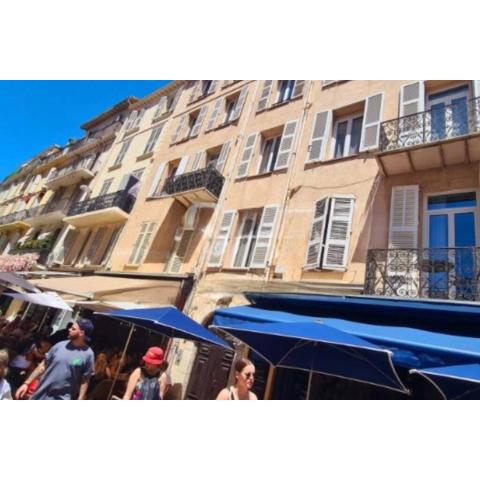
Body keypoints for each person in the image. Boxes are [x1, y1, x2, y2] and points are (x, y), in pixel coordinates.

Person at [15, 319, 95, 400]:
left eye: (73, 329)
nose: (69, 329)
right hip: (41, 393)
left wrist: (80, 398)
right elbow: (43, 366)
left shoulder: (88, 354)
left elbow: (85, 379)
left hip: (62, 397)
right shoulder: (59, 345)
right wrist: (26, 383)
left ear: (81, 333)